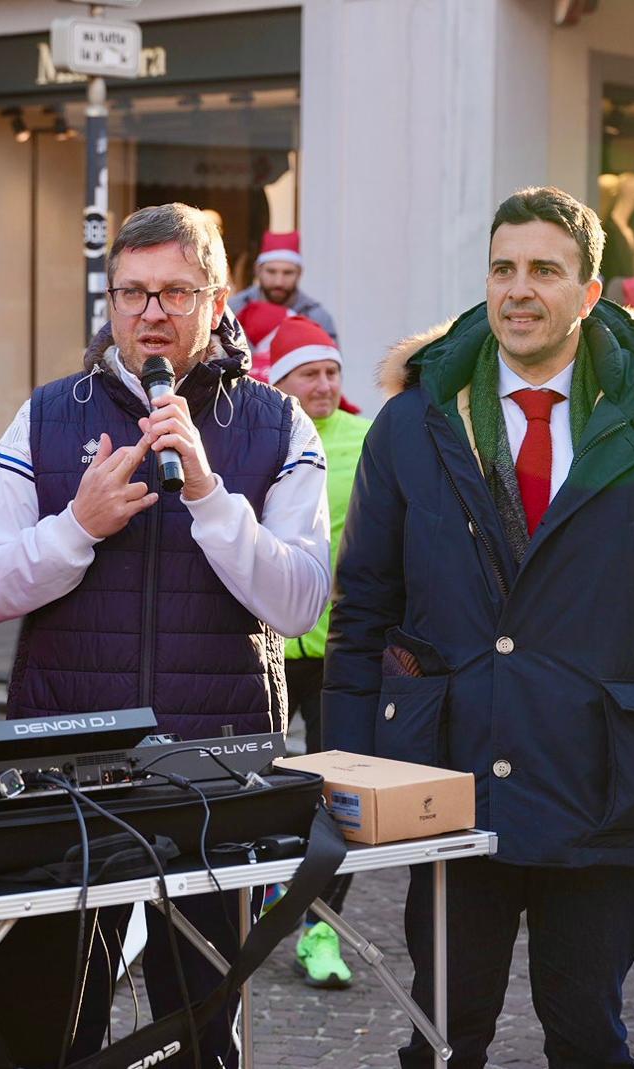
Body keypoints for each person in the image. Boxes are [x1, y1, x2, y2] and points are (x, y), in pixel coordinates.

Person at [325, 186, 634, 1068]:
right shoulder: (414, 422)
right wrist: (344, 772)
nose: (519, 290)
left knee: (589, 1033)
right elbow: (363, 609)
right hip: (450, 783)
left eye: (545, 271)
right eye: (503, 268)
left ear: (591, 293)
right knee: (445, 1036)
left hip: (600, 783)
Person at [0, 202, 330, 1068]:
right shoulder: (48, 415)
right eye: (131, 293)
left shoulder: (277, 423)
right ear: (111, 298)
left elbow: (301, 602)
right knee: (55, 1024)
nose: (150, 314)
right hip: (68, 772)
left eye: (173, 292)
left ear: (217, 296)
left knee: (201, 1028)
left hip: (214, 774)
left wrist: (207, 495)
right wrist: (75, 527)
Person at [263, 316, 370, 991]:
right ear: (281, 383)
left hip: (343, 644)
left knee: (345, 795)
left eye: (332, 372)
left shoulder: (367, 439)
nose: (326, 384)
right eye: (311, 373)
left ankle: (321, 925)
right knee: (260, 786)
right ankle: (270, 887)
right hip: (267, 639)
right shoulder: (262, 438)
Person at [227, 231, 337, 340]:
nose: (278, 282)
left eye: (288, 273)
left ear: (300, 273)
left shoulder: (317, 318)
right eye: (271, 271)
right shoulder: (234, 310)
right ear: (258, 270)